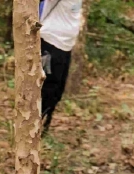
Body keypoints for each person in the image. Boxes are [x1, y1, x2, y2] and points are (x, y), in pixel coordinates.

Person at [39, 0, 84, 132]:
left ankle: (45, 122)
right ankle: (35, 124)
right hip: (51, 41)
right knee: (48, 86)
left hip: (66, 46)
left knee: (58, 90)